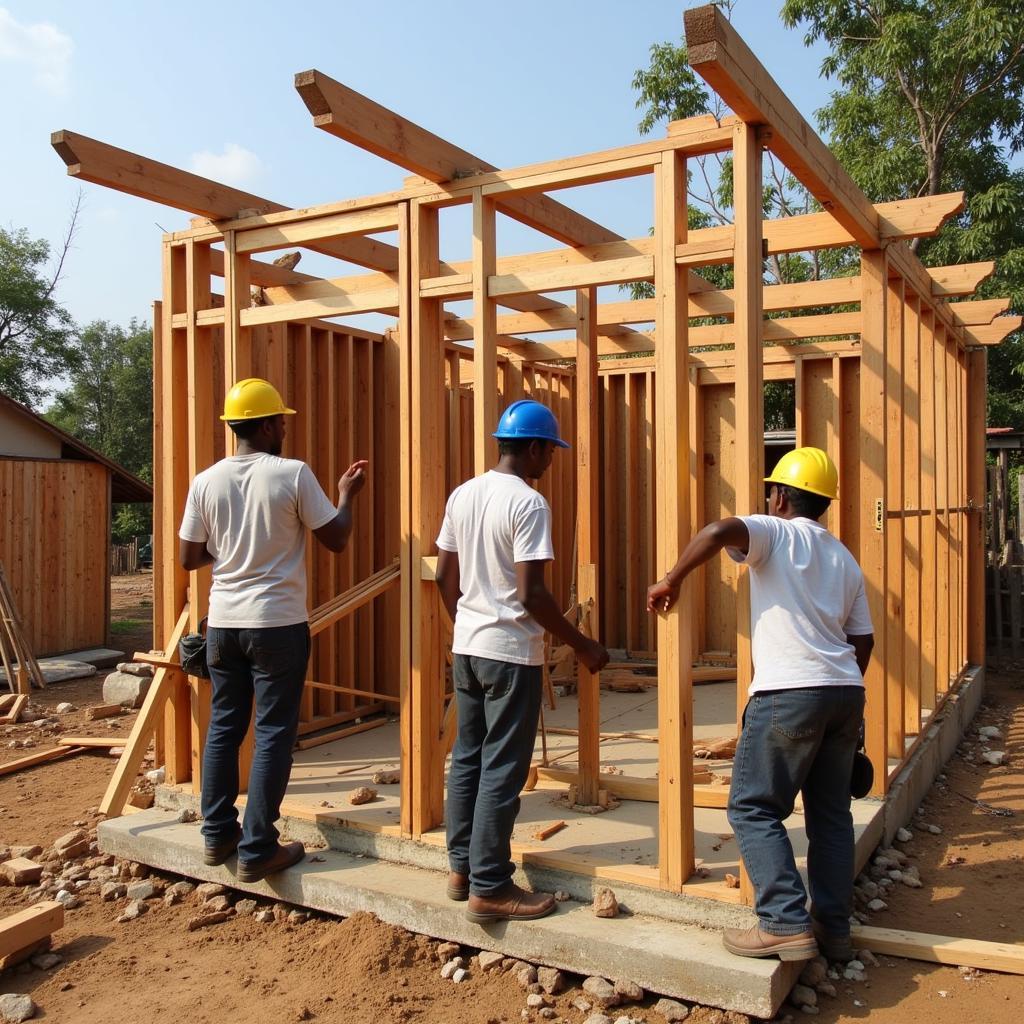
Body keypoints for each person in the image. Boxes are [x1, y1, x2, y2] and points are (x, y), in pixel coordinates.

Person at [647, 447, 874, 963]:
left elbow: (717, 532)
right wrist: (834, 694)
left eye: (770, 492)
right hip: (844, 693)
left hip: (787, 694)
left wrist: (671, 578)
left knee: (753, 806)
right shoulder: (843, 557)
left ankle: (784, 922)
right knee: (832, 815)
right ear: (825, 503)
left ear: (779, 496)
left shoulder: (776, 533)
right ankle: (833, 929)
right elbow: (862, 642)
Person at [179, 377, 367, 883]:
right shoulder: (292, 474)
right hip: (276, 626)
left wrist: (237, 549)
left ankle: (218, 836)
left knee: (223, 729)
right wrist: (347, 495)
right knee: (273, 734)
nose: (285, 427)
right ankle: (259, 848)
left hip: (223, 625)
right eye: (281, 420)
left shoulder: (206, 481)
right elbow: (337, 539)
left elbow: (188, 556)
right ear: (265, 425)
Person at [435, 400, 609, 923]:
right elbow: (533, 595)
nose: (551, 461)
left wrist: (467, 622)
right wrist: (581, 644)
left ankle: (462, 869)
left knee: (468, 757)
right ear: (533, 447)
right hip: (509, 655)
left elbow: (446, 575)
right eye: (550, 451)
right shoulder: (529, 504)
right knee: (502, 769)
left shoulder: (463, 493)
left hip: (468, 648)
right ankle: (490, 886)